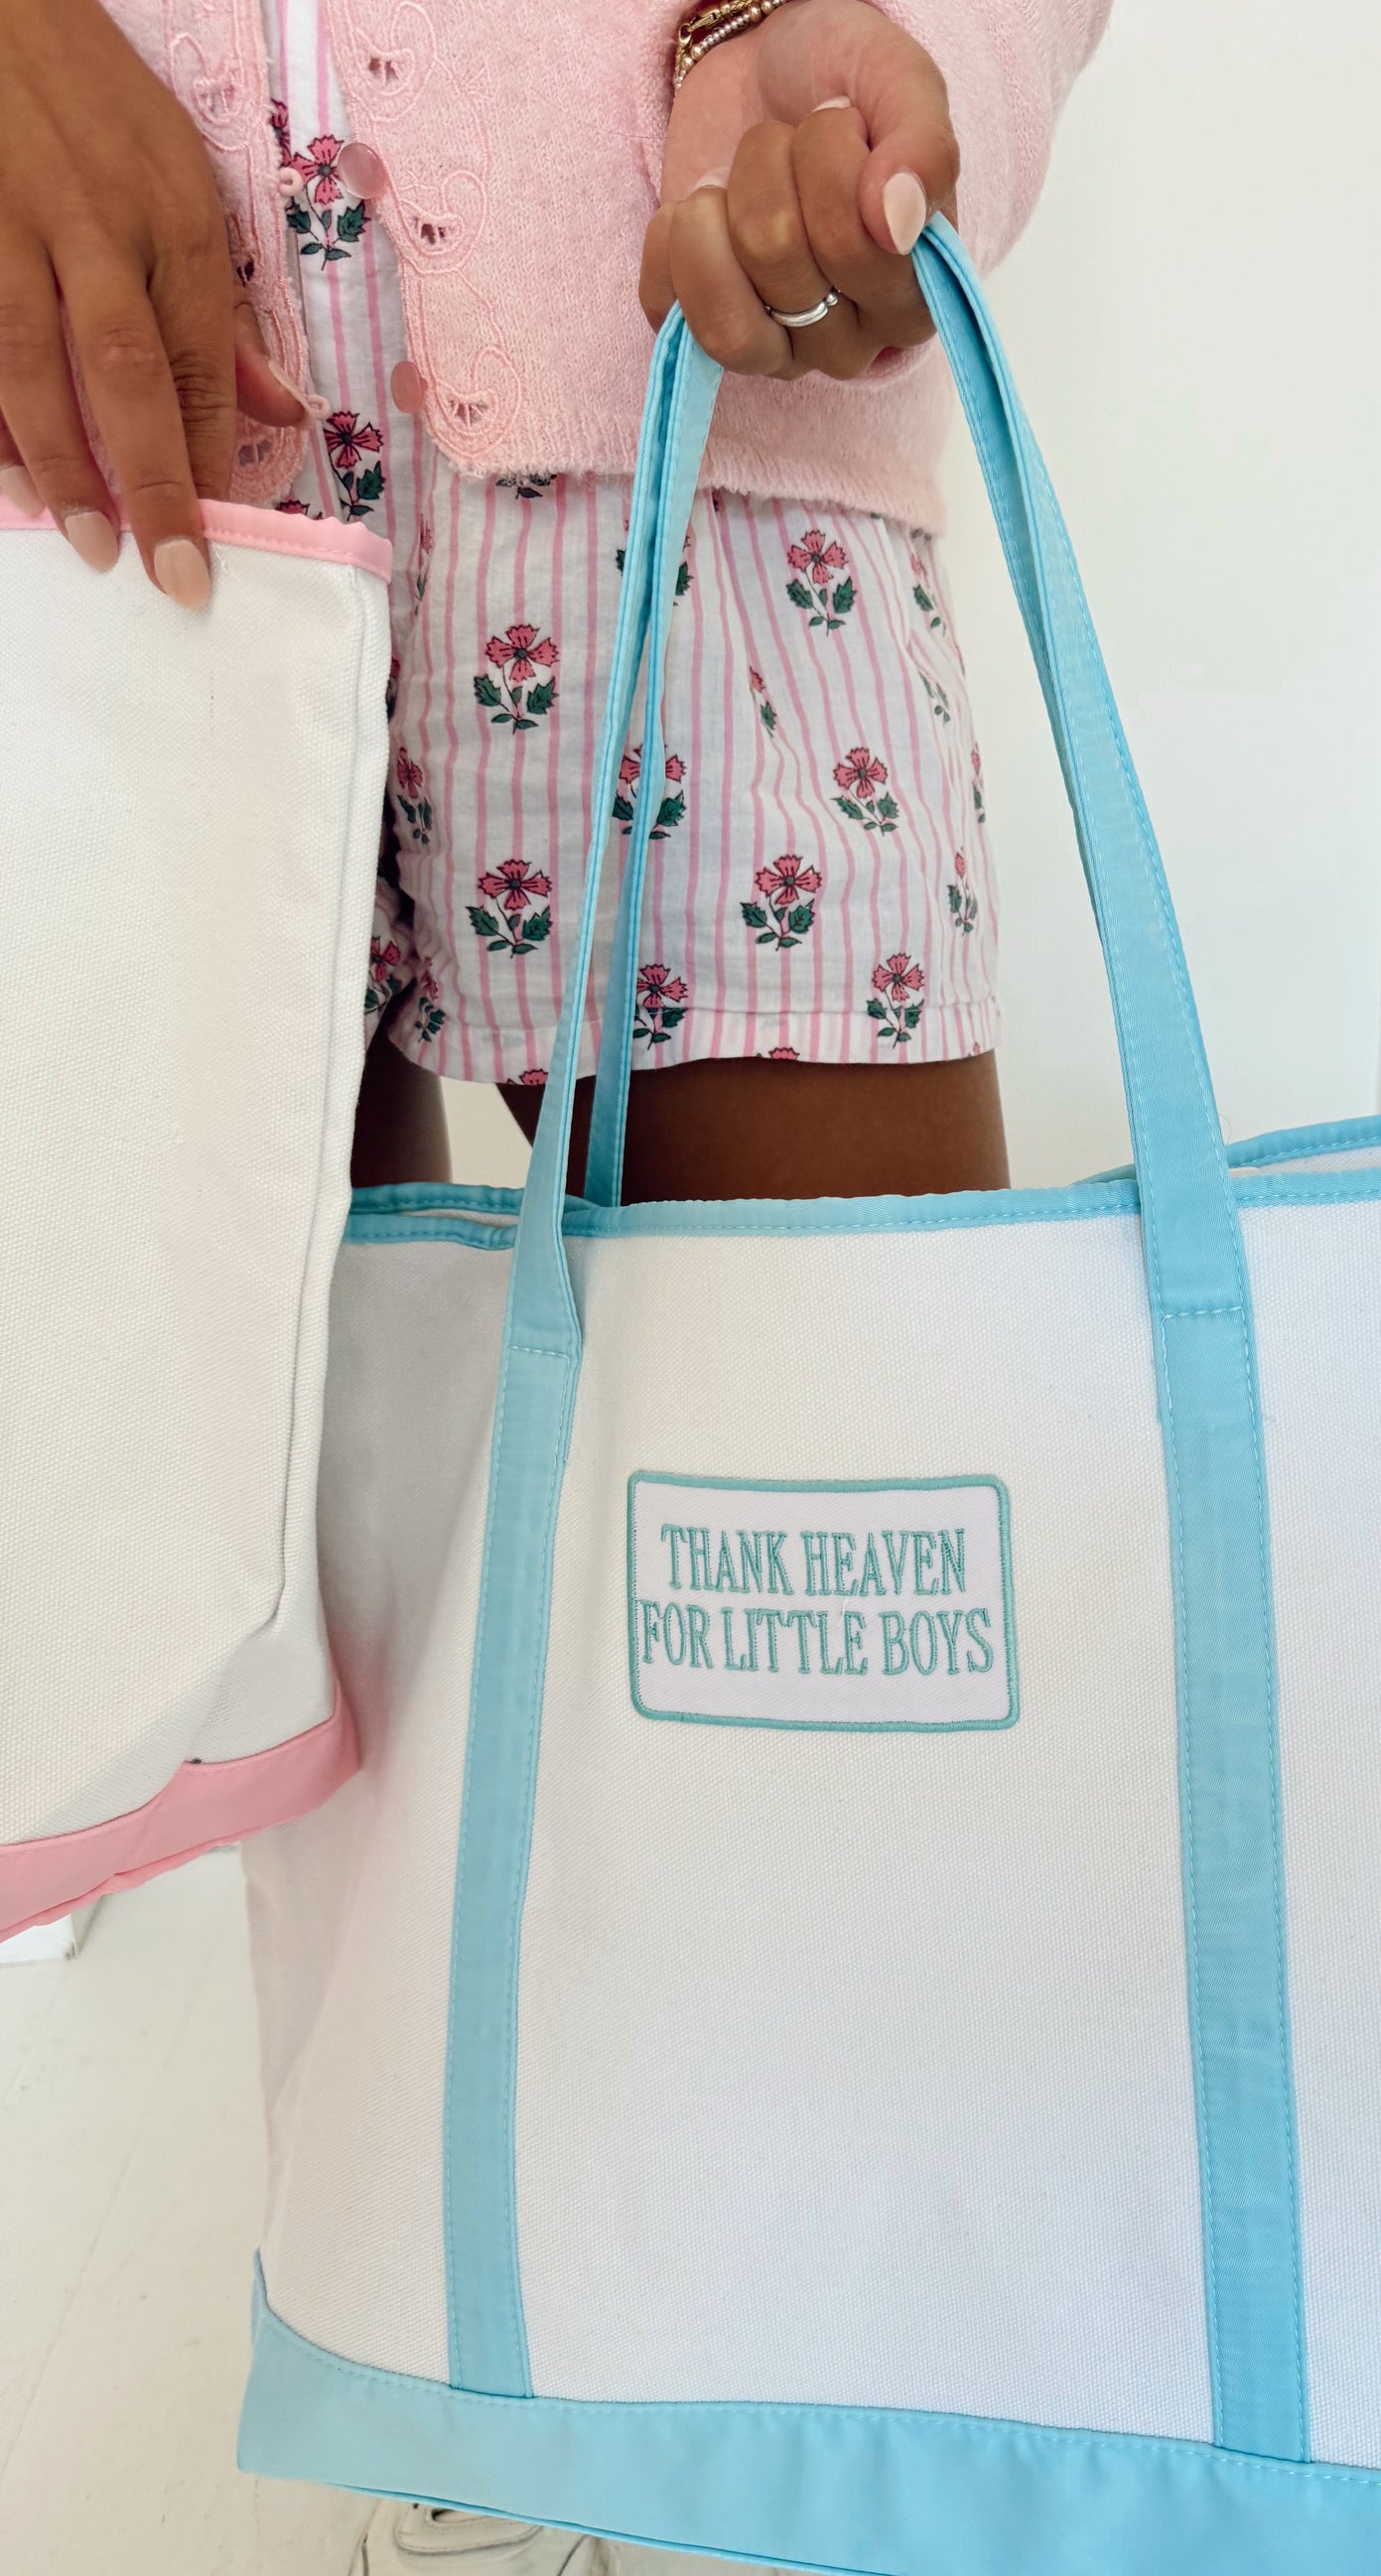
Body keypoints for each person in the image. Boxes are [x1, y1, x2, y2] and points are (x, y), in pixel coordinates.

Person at [0, 0, 1109, 2565]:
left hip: (703, 400)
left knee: (857, 1657)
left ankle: (824, 2447)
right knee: (300, 1631)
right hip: (122, 454)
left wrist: (873, 40)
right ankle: (458, 2421)